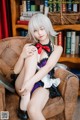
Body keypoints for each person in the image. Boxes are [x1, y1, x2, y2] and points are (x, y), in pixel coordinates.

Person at [14, 13, 63, 120]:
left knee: (33, 110)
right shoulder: (29, 47)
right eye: (35, 31)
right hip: (22, 83)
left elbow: (48, 67)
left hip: (42, 84)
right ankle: (25, 96)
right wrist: (23, 55)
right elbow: (16, 71)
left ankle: (25, 102)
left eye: (42, 28)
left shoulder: (58, 49)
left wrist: (30, 83)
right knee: (33, 51)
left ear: (48, 27)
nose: (39, 33)